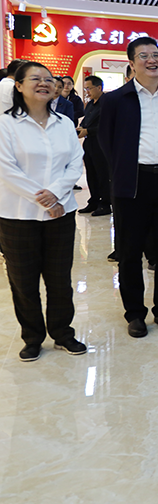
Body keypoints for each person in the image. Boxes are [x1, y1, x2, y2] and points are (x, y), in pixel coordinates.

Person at [99, 36, 158, 338]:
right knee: (129, 252)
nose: (152, 60)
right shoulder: (116, 100)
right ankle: (135, 313)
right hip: (131, 184)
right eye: (143, 56)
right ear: (131, 63)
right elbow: (106, 142)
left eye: (156, 54)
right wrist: (122, 172)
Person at [0, 61, 86, 361]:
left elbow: (75, 162)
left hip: (61, 214)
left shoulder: (64, 123)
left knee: (60, 279)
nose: (44, 83)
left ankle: (63, 333)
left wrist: (57, 193)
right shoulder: (6, 123)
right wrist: (46, 199)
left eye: (49, 79)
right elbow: (6, 169)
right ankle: (33, 337)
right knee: (23, 282)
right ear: (18, 86)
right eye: (35, 78)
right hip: (18, 215)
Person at [77, 75, 112, 217]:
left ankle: (105, 203)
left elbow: (108, 125)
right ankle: (94, 201)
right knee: (91, 174)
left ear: (99, 87)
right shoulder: (91, 104)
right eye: (85, 89)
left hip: (101, 144)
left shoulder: (107, 103)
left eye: (89, 88)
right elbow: (86, 121)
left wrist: (89, 131)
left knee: (102, 174)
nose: (87, 92)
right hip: (89, 143)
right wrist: (81, 128)